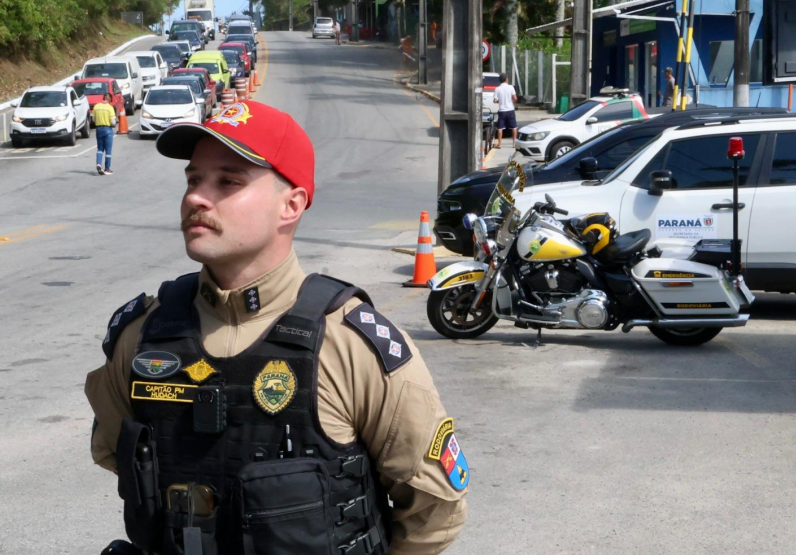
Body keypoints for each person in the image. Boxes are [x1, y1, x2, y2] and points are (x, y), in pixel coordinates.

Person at [85, 101, 469, 555]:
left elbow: (435, 508)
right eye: (193, 180)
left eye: (227, 181)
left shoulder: (350, 344)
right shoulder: (144, 336)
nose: (195, 198)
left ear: (291, 205)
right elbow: (119, 457)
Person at [93, 92, 117, 176]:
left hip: (98, 129)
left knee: (100, 149)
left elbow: (93, 119)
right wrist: (113, 124)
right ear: (110, 99)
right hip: (107, 130)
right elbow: (113, 122)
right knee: (108, 150)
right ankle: (107, 168)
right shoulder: (110, 108)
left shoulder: (96, 106)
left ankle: (98, 164)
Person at [493, 74, 518, 149]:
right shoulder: (511, 87)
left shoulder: (497, 89)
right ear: (506, 79)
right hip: (510, 110)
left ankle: (500, 144)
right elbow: (515, 98)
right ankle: (514, 143)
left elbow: (495, 100)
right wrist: (512, 102)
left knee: (500, 128)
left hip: (502, 111)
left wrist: (500, 102)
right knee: (514, 127)